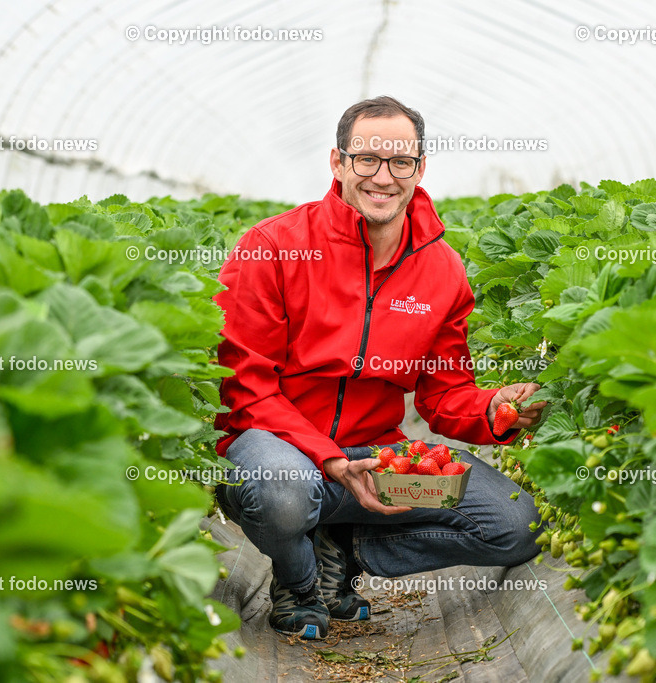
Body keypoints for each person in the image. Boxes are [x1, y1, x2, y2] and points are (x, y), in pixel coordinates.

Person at [213, 96, 546, 639]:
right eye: (366, 159)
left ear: (420, 167)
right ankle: (299, 583)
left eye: (400, 162)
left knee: (515, 526)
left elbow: (443, 396)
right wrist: (327, 459)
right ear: (338, 163)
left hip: (372, 458)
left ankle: (344, 550)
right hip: (281, 449)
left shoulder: (441, 270)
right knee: (281, 488)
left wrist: (493, 408)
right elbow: (247, 389)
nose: (383, 177)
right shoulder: (272, 248)